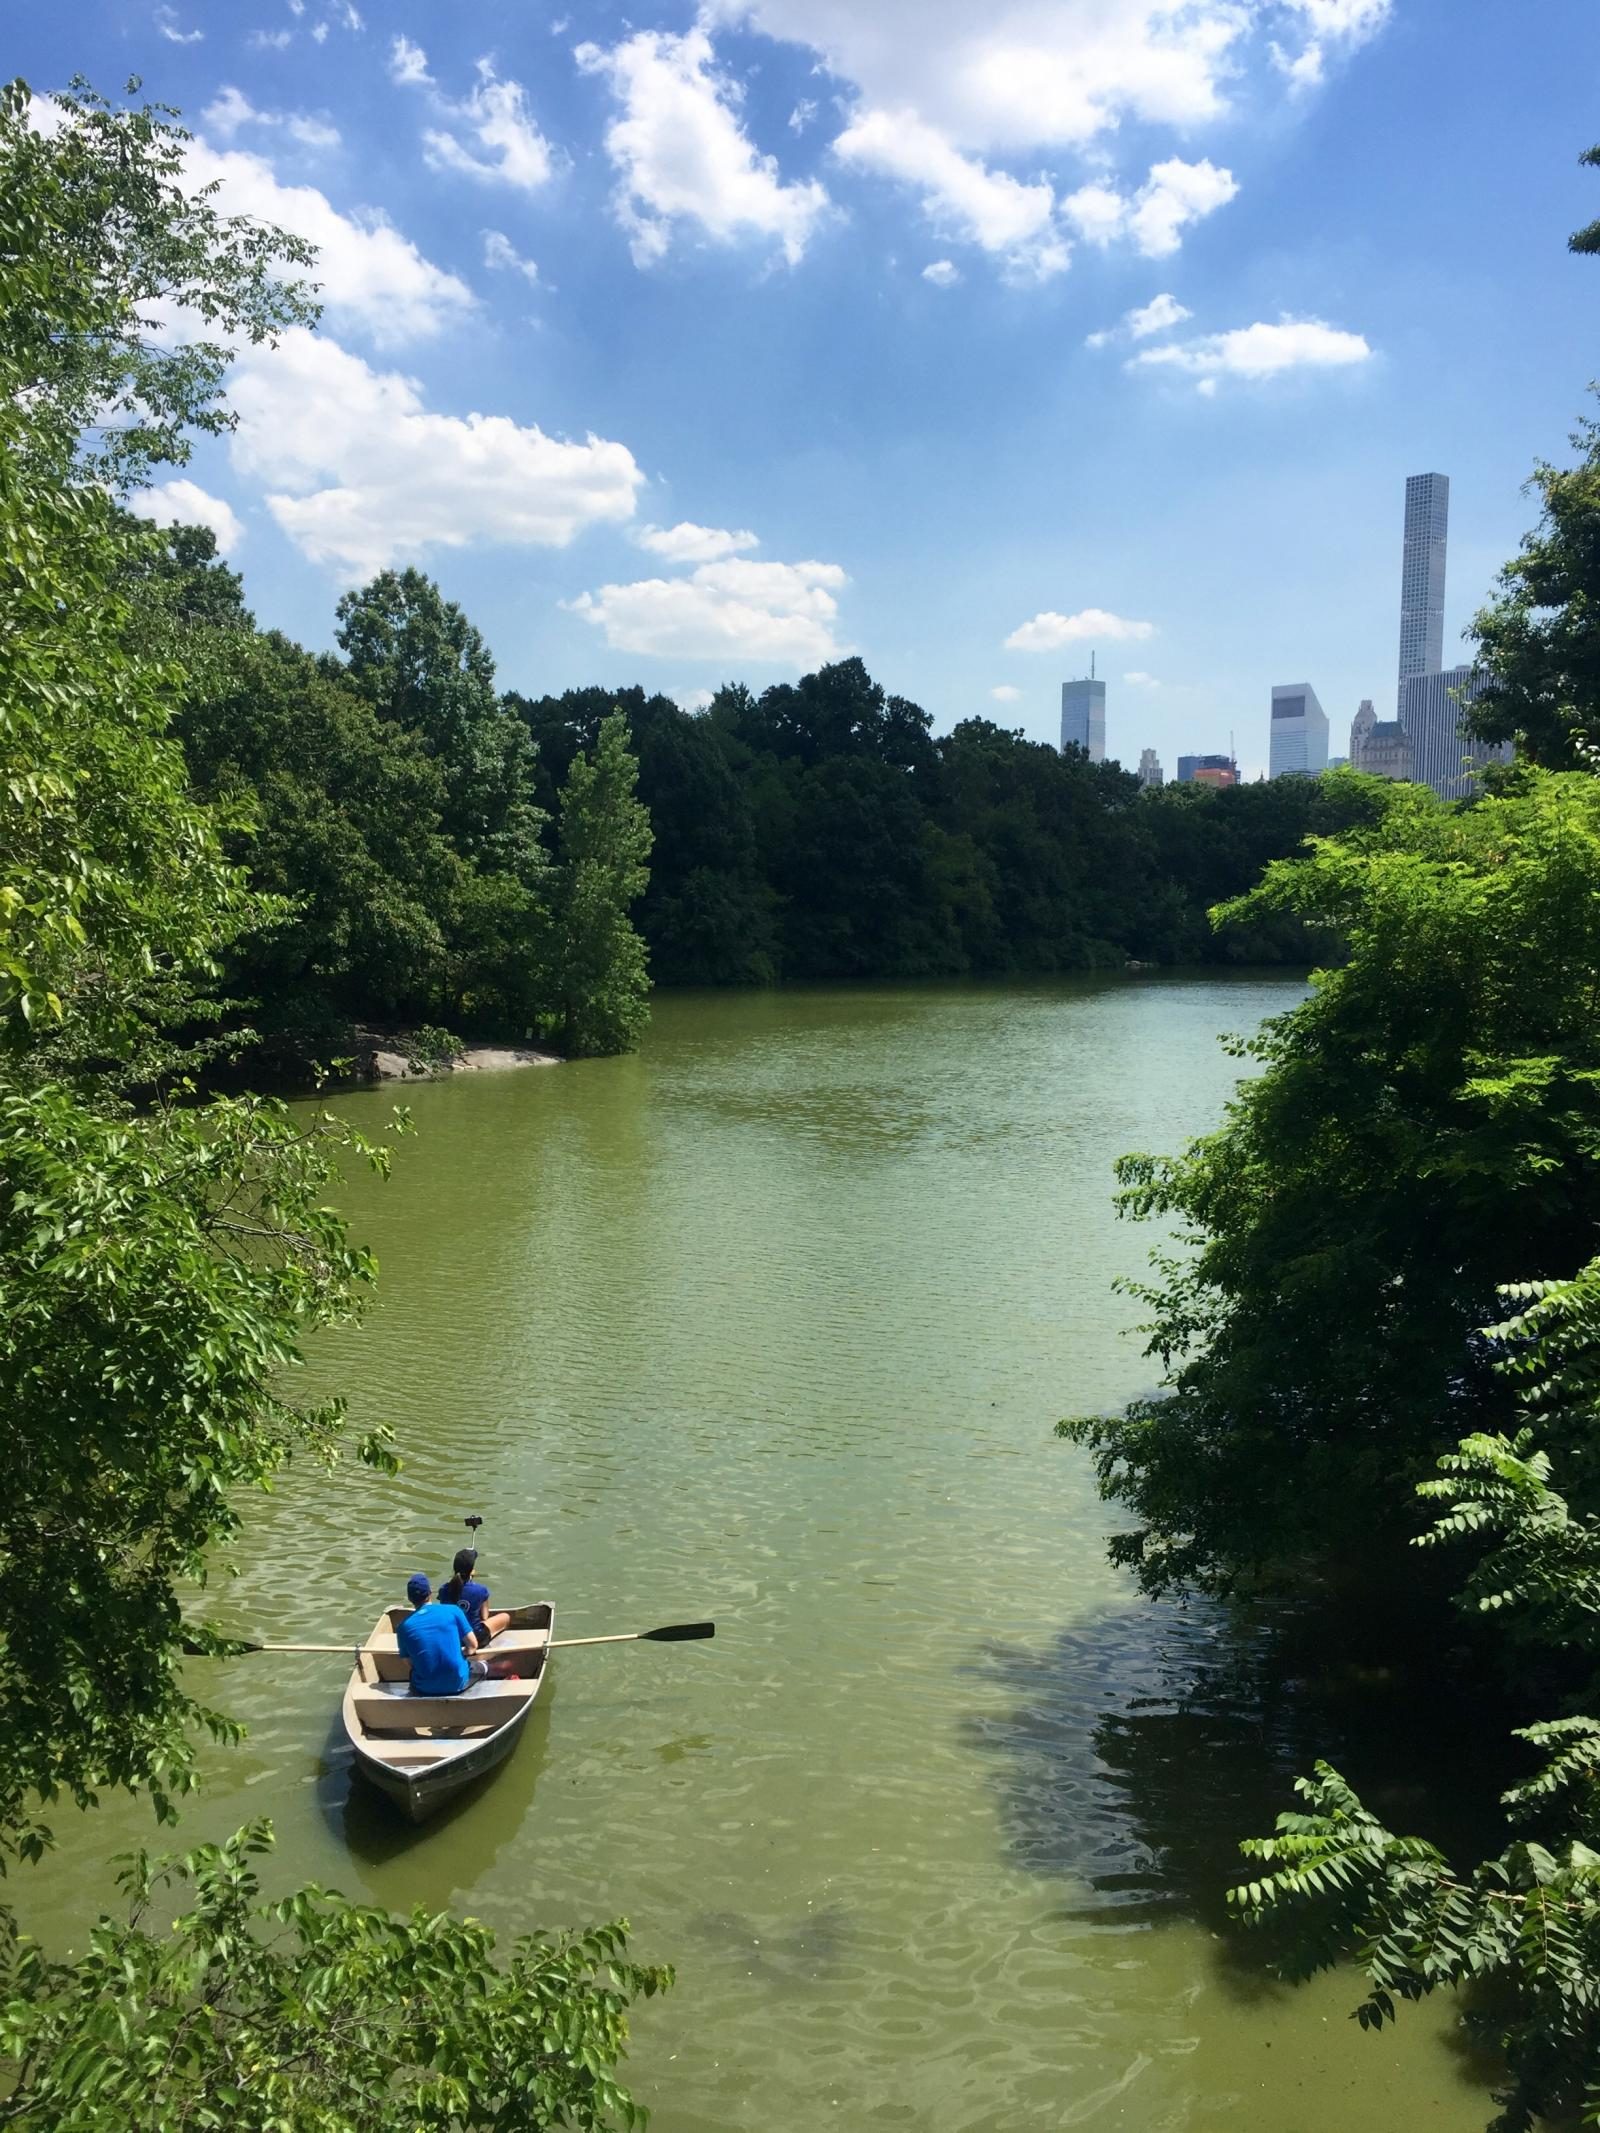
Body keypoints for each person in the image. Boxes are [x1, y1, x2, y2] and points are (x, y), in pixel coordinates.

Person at [395, 1572, 485, 1696]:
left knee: (415, 1673)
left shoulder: (403, 1627)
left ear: (410, 1598)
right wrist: (461, 1653)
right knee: (482, 1666)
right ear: (430, 1593)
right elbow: (473, 1646)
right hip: (457, 1683)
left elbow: (409, 1662)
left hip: (424, 1688)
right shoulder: (453, 1610)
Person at [438, 1547, 510, 1644]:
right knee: (505, 1617)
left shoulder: (443, 1589)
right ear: (472, 1571)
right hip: (475, 1638)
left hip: (451, 1637)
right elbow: (484, 1616)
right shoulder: (481, 1590)